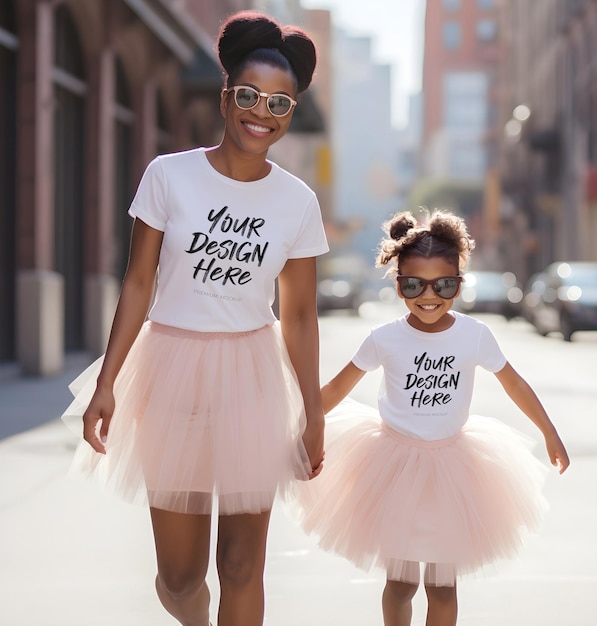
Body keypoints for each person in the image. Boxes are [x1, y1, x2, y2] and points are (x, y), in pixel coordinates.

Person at [61, 10, 327, 626]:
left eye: (281, 104)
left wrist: (312, 410)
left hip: (253, 377)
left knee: (243, 568)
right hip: (172, 370)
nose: (263, 113)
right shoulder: (168, 175)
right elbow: (136, 284)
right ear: (226, 93)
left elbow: (302, 317)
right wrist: (106, 384)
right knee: (179, 578)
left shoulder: (297, 202)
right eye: (250, 95)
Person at [289, 209, 570, 626]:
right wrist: (299, 430)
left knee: (443, 587)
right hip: (393, 468)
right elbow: (333, 390)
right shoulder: (384, 338)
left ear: (459, 282)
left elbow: (514, 384)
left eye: (444, 284)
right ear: (398, 283)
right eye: (414, 284)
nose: (429, 295)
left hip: (452, 470)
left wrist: (549, 432)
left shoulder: (474, 335)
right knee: (401, 584)